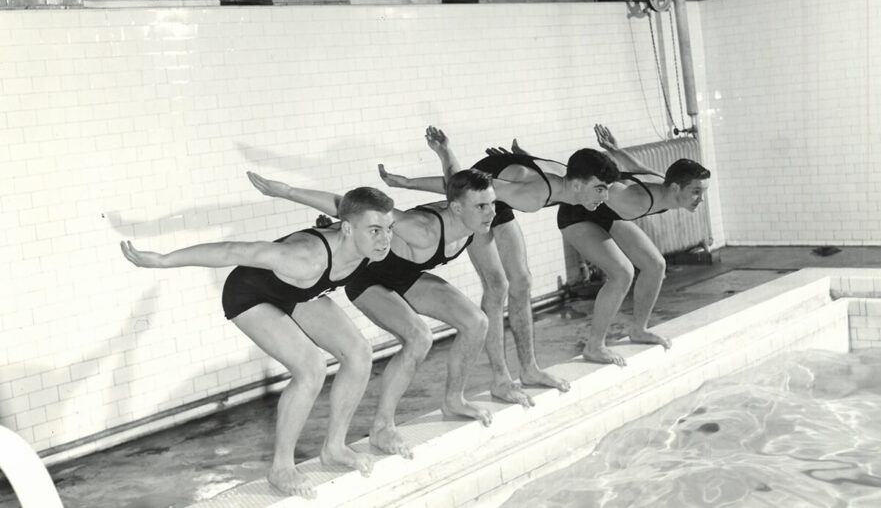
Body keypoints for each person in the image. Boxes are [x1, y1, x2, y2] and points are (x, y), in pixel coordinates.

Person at [120, 187, 395, 499]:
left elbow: (339, 203)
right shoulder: (303, 258)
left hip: (296, 292)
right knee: (311, 369)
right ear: (347, 228)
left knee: (359, 354)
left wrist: (286, 190)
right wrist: (164, 260)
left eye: (389, 228)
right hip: (250, 294)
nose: (385, 239)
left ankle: (334, 447)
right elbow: (233, 251)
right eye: (375, 230)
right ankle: (281, 467)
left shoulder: (363, 239)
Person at [247, 132, 496, 459]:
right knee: (419, 338)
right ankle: (382, 427)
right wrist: (288, 192)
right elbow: (349, 206)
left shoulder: (468, 216)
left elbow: (454, 180)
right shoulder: (422, 228)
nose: (491, 212)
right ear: (456, 208)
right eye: (482, 206)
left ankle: (454, 399)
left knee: (477, 322)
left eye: (492, 203)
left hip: (406, 275)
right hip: (368, 278)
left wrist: (445, 151)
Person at [379, 127, 620, 407]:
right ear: (578, 184)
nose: (604, 197)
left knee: (523, 281)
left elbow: (538, 166)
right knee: (498, 285)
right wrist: (412, 179)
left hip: (500, 202)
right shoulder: (532, 194)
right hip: (479, 203)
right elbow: (462, 187)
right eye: (600, 189)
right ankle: (500, 380)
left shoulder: (563, 177)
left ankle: (529, 370)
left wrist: (519, 159)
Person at [491, 125, 711, 366]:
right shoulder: (632, 200)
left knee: (655, 265)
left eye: (702, 192)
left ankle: (639, 329)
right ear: (676, 188)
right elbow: (579, 180)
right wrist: (530, 163)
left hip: (607, 215)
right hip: (578, 214)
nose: (700, 199)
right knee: (622, 273)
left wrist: (616, 150)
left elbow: (639, 168)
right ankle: (594, 346)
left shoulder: (663, 184)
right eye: (696, 192)